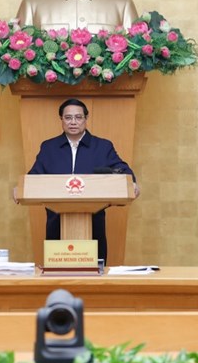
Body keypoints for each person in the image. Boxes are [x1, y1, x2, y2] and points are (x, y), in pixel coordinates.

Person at [25, 98, 139, 261]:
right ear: (61, 120)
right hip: (56, 222)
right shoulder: (49, 147)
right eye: (68, 117)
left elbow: (122, 170)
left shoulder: (102, 146)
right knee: (59, 275)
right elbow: (34, 177)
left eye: (78, 117)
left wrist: (132, 183)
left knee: (93, 277)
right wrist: (21, 188)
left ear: (86, 119)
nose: (73, 122)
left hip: (94, 222)